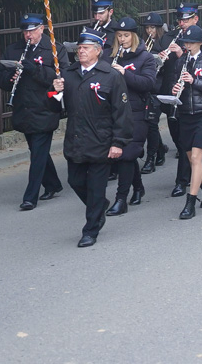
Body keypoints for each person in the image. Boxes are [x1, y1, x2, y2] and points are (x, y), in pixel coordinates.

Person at [52, 28, 132, 247]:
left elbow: (122, 112)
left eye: (86, 48)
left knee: (96, 187)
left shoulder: (111, 76)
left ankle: (91, 229)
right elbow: (55, 106)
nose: (81, 52)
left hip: (101, 140)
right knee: (75, 181)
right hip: (76, 139)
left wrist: (118, 143)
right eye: (79, 48)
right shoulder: (68, 74)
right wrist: (55, 91)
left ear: (98, 51)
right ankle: (98, 205)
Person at [0, 13, 69, 210]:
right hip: (23, 109)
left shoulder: (53, 49)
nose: (28, 35)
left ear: (41, 29)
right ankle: (53, 184)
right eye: (25, 32)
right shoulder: (14, 49)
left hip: (46, 107)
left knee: (37, 153)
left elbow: (62, 77)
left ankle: (30, 197)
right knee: (37, 150)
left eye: (32, 31)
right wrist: (10, 77)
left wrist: (34, 70)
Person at [160, 3, 202, 197]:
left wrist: (193, 79)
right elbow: (170, 76)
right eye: (180, 20)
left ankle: (190, 197)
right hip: (182, 108)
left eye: (186, 19)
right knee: (187, 153)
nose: (182, 23)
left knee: (195, 156)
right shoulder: (171, 42)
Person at [169, 25, 202, 220]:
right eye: (186, 42)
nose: (188, 45)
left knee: (195, 159)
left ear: (200, 43)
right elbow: (176, 84)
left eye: (191, 42)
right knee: (191, 158)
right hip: (185, 114)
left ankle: (190, 201)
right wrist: (176, 89)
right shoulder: (181, 62)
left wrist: (194, 81)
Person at [106, 18, 158, 215]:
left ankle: (121, 199)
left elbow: (149, 84)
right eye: (119, 36)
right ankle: (138, 187)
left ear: (134, 36)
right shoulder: (111, 56)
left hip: (137, 111)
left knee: (127, 154)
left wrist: (124, 74)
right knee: (125, 156)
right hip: (116, 111)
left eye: (126, 35)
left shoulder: (145, 58)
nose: (122, 39)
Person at [139, 12, 168, 174]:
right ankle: (160, 149)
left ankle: (151, 158)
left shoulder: (165, 43)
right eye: (148, 28)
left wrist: (163, 58)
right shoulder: (143, 43)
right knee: (150, 123)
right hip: (145, 87)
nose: (150, 31)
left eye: (153, 28)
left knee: (151, 122)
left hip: (158, 87)